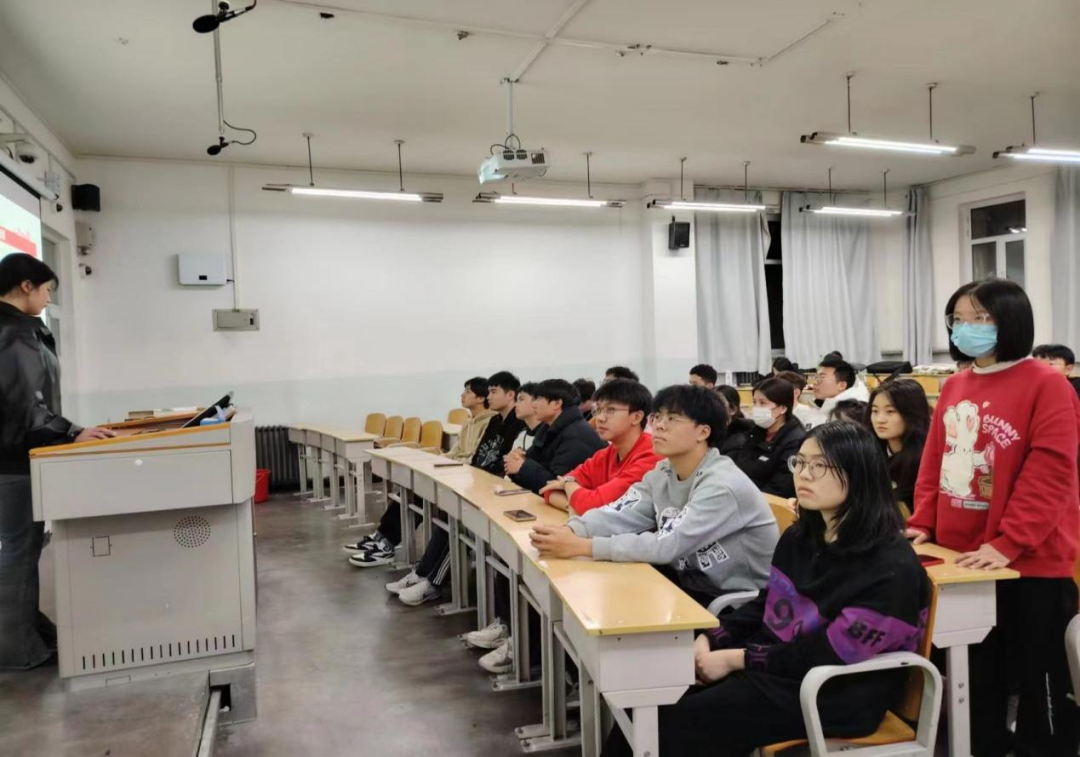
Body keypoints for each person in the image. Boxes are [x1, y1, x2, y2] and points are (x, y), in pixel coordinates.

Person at [603, 423, 929, 757]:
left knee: (674, 722)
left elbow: (829, 652)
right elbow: (766, 604)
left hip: (834, 691)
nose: (804, 475)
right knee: (646, 696)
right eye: (800, 462)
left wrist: (737, 659)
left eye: (820, 465)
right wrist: (711, 639)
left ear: (859, 475)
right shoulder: (802, 537)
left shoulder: (891, 567)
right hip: (777, 668)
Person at [906, 278, 1080, 757]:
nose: (967, 327)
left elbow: (1051, 472)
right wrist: (923, 522)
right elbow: (936, 461)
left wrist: (1009, 541)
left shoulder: (1047, 384)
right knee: (977, 672)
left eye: (980, 317)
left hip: (1029, 561)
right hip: (962, 560)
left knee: (1038, 676)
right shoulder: (956, 384)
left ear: (1011, 321)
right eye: (959, 318)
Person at [530, 385, 778, 607]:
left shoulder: (721, 485)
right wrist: (572, 530)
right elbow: (621, 512)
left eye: (673, 419)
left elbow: (668, 544)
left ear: (703, 432)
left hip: (733, 604)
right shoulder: (662, 471)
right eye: (657, 416)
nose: (659, 425)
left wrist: (584, 546)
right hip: (685, 582)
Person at [0, 254, 116, 670]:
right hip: (15, 462)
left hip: (12, 458)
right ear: (26, 286)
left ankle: (28, 633)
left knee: (20, 549)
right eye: (47, 289)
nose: (49, 299)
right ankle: (15, 651)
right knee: (19, 551)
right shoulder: (16, 334)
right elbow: (27, 408)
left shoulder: (14, 330)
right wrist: (70, 432)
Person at [387, 372, 525, 605]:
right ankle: (422, 573)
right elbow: (478, 457)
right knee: (448, 515)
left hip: (496, 491)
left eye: (493, 392)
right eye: (488, 392)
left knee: (459, 522)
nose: (489, 397)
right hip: (479, 483)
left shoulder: (518, 426)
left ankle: (432, 583)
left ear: (510, 394)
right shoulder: (495, 422)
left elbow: (503, 466)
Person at [345, 376, 496, 567]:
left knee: (417, 495)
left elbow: (474, 457)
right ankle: (381, 537)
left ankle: (386, 545)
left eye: (467, 391)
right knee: (408, 491)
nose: (462, 395)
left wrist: (449, 462)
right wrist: (440, 460)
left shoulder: (490, 424)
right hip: (453, 471)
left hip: (465, 478)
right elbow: (456, 451)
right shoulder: (469, 422)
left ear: (480, 398)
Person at [541, 379, 662, 515]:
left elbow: (591, 505)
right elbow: (549, 490)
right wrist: (572, 507)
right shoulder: (606, 454)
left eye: (610, 410)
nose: (600, 418)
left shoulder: (652, 456)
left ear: (637, 417)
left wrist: (568, 484)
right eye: (598, 410)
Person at [505, 379, 606, 494]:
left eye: (539, 399)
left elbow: (558, 484)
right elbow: (531, 462)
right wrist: (518, 461)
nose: (533, 405)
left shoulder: (576, 436)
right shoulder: (549, 429)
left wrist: (522, 467)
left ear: (557, 404)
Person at [728, 378, 806, 499]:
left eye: (763, 403)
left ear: (783, 408)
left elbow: (781, 488)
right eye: (754, 402)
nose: (756, 407)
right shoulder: (756, 431)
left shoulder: (795, 441)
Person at [866, 379, 930, 518]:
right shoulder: (870, 453)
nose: (879, 419)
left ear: (911, 413)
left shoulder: (925, 461)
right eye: (875, 411)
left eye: (890, 411)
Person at [804, 356, 869, 428]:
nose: (815, 382)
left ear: (842, 385)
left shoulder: (852, 415)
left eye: (822, 378)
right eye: (816, 377)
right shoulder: (821, 406)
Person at [510, 382, 543, 451]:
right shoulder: (521, 434)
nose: (515, 404)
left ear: (537, 402)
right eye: (516, 400)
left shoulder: (549, 435)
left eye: (521, 399)